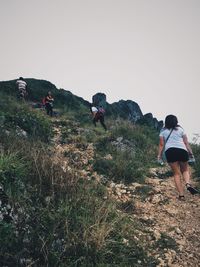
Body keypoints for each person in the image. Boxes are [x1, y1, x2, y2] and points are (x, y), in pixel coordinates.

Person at [157, 114, 198, 200]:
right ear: (176, 121)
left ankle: (181, 195)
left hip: (170, 151)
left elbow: (161, 144)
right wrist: (191, 153)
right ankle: (187, 183)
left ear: (166, 122)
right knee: (185, 170)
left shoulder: (163, 131)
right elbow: (186, 143)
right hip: (182, 151)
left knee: (176, 173)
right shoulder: (180, 129)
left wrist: (159, 156)